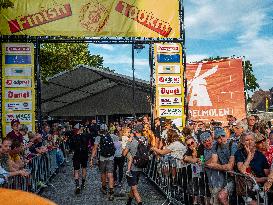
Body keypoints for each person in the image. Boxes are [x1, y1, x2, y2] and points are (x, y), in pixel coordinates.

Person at [235, 131, 270, 204]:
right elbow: (242, 170)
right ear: (242, 142)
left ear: (255, 142)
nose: (250, 142)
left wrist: (256, 180)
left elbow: (267, 175)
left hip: (261, 187)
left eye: (252, 140)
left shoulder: (261, 155)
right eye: (247, 140)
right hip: (246, 189)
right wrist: (249, 156)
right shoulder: (239, 153)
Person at [207, 128, 238, 205]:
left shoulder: (233, 145)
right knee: (216, 199)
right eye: (217, 138)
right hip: (224, 177)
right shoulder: (215, 145)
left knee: (222, 196)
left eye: (223, 136)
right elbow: (213, 162)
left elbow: (230, 167)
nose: (221, 138)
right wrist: (223, 167)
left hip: (235, 177)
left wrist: (217, 166)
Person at [90, 124, 115, 201]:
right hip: (111, 158)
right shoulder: (113, 136)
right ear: (107, 129)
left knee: (103, 173)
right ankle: (111, 192)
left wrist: (91, 158)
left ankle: (104, 188)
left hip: (102, 159)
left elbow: (95, 149)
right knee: (110, 175)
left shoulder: (98, 138)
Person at [123, 126, 146, 205]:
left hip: (133, 168)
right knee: (133, 187)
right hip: (141, 166)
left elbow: (124, 153)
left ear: (135, 132)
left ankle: (140, 203)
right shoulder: (144, 139)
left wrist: (128, 142)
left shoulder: (132, 141)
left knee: (134, 188)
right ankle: (128, 202)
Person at [70, 124, 91, 194]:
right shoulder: (86, 135)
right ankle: (83, 184)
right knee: (84, 169)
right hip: (84, 154)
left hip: (76, 155)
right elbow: (89, 142)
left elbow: (71, 147)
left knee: (76, 170)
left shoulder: (73, 137)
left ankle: (77, 185)